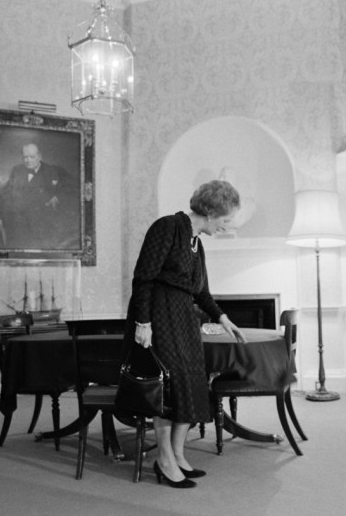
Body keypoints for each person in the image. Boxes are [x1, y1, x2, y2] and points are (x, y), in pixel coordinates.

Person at [124, 179, 247, 489]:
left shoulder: (197, 243)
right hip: (158, 315)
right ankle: (163, 459)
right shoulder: (168, 227)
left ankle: (177, 454)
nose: (226, 225)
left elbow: (202, 293)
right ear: (211, 210)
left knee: (191, 381)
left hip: (183, 318)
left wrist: (224, 318)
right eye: (225, 219)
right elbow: (144, 278)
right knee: (169, 386)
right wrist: (143, 323)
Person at [0, 143, 78, 249]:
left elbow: (74, 187)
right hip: (18, 224)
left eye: (32, 157)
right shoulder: (17, 170)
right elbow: (5, 194)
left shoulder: (54, 170)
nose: (28, 160)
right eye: (25, 157)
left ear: (39, 156)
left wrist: (58, 197)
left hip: (45, 224)